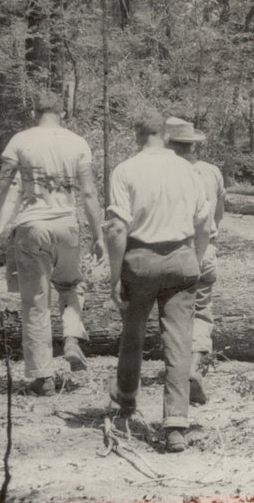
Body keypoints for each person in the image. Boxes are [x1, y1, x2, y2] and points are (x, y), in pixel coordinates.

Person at [0, 92, 104, 396]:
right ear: (62, 112)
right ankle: (73, 336)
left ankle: (43, 378)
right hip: (66, 224)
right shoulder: (77, 142)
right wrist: (99, 234)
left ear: (34, 112)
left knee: (35, 301)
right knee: (72, 284)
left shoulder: (21, 140)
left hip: (32, 225)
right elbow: (89, 193)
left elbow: (2, 183)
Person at [105, 113, 211, 453]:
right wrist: (194, 255)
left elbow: (118, 229)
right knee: (178, 342)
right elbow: (204, 224)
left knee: (132, 334)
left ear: (138, 137)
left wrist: (115, 273)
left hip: (141, 259)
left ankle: (126, 401)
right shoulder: (189, 170)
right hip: (182, 258)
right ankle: (176, 424)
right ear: (166, 137)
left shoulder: (125, 170)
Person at [165, 117, 225, 405]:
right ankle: (194, 366)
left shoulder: (164, 172)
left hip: (174, 250)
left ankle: (175, 370)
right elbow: (218, 214)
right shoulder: (211, 172)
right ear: (194, 146)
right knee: (201, 312)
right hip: (206, 250)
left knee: (173, 313)